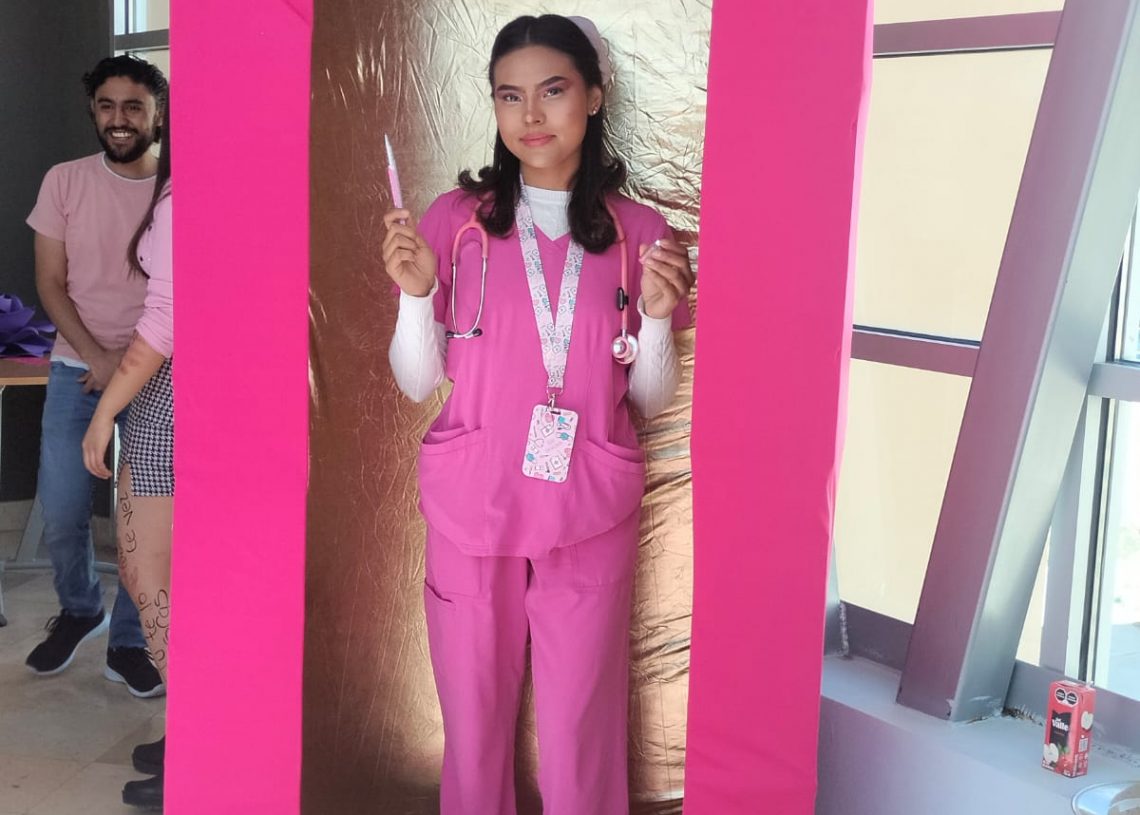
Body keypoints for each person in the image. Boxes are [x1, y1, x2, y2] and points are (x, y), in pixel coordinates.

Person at [380, 15, 694, 815]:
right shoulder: (456, 222)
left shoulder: (640, 235)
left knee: (581, 724)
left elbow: (648, 397)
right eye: (509, 95)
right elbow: (418, 381)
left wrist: (657, 319)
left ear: (593, 95)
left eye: (553, 91)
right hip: (473, 499)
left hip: (587, 503)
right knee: (473, 720)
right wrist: (416, 298)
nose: (531, 115)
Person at [25, 54, 167, 698]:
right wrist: (98, 357)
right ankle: (81, 608)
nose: (119, 118)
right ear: (93, 110)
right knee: (60, 508)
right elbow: (50, 283)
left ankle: (129, 642)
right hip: (76, 367)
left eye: (134, 106)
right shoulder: (64, 180)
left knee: (142, 518)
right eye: (107, 105)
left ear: (157, 115)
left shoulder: (177, 187)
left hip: (157, 372)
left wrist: (127, 365)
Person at [82, 94, 172, 812]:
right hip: (187, 395)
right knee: (160, 579)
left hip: (172, 399)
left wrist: (104, 411)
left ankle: (200, 738)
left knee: (152, 578)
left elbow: (165, 322)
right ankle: (191, 730)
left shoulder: (186, 197)